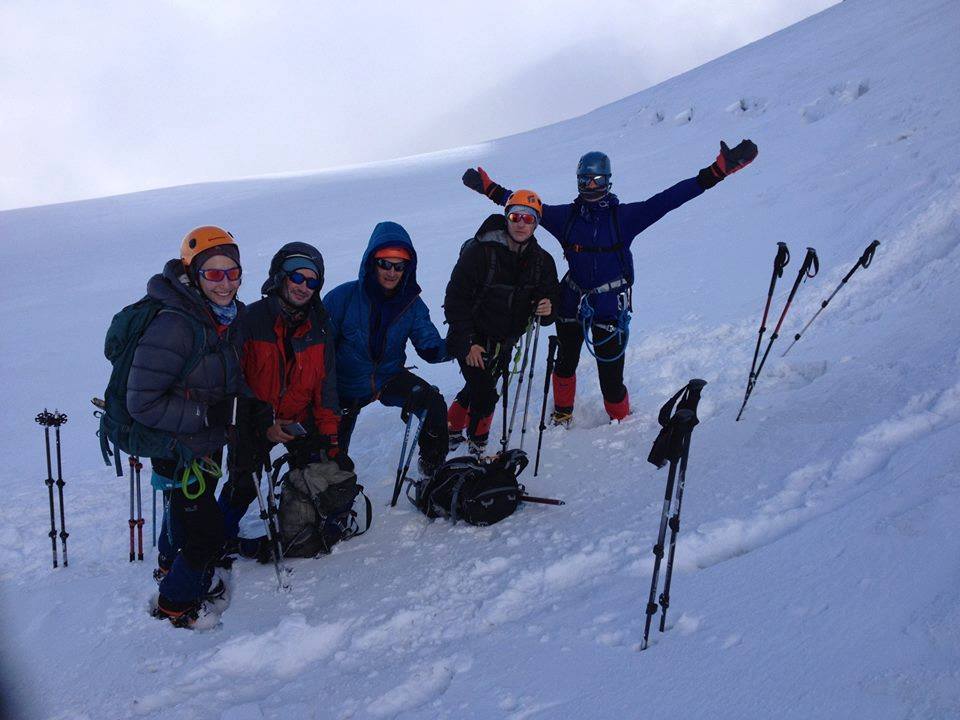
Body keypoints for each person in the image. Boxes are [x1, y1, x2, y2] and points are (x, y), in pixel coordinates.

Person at [462, 140, 758, 424]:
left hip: (609, 306)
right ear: (578, 181)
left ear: (608, 181)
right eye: (586, 180)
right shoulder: (565, 217)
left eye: (597, 179)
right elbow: (524, 206)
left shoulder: (624, 217)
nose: (591, 186)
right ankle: (563, 412)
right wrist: (489, 189)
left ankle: (620, 420)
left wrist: (717, 171)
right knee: (564, 363)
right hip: (571, 300)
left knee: (611, 377)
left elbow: (669, 199)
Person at [127, 225, 249, 628]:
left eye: (232, 272)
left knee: (186, 517)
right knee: (205, 534)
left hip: (206, 445)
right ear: (193, 276)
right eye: (213, 274)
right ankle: (175, 604)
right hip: (178, 448)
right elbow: (142, 402)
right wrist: (205, 417)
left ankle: (169, 566)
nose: (225, 282)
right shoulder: (176, 325)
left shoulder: (227, 318)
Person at [217, 242, 345, 552]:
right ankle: (217, 541)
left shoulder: (320, 328)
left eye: (312, 282)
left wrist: (330, 437)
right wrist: (265, 421)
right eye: (297, 278)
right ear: (280, 277)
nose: (304, 287)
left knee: (320, 472)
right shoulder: (249, 320)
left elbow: (325, 386)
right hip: (255, 419)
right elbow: (235, 379)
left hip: (300, 419)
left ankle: (299, 525)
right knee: (242, 485)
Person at [323, 221, 449, 480]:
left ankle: (432, 472)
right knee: (332, 463)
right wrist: (325, 396)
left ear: (408, 268)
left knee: (433, 404)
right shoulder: (342, 298)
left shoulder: (411, 303)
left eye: (399, 265)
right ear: (372, 262)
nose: (392, 272)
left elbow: (430, 348)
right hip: (343, 387)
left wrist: (460, 344)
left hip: (387, 378)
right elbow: (319, 355)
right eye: (385, 263)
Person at [444, 190, 559, 455]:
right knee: (485, 395)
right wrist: (469, 342)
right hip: (470, 335)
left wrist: (548, 308)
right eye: (515, 216)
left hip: (506, 339)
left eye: (528, 219)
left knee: (478, 387)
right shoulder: (480, 252)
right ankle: (477, 446)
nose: (521, 223)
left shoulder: (542, 261)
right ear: (506, 217)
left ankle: (452, 427)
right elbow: (455, 299)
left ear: (536, 224)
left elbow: (551, 300)